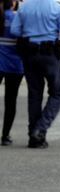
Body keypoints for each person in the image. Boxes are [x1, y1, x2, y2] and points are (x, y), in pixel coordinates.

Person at [10, 0, 60, 148]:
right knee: (57, 93)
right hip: (50, 54)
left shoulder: (24, 7)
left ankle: (33, 135)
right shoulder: (57, 8)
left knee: (34, 94)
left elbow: (15, 31)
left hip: (29, 54)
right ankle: (40, 129)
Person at [0, 0, 24, 146]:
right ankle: (5, 135)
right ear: (13, 3)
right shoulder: (18, 18)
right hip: (15, 65)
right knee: (11, 101)